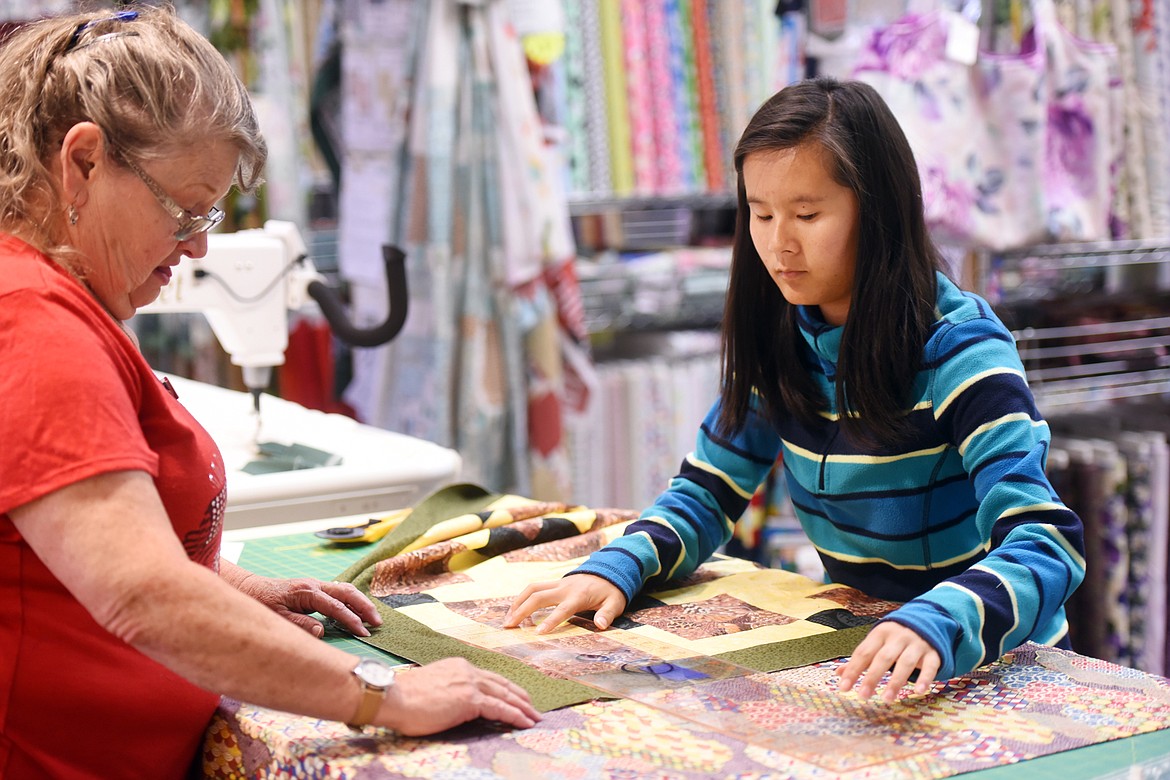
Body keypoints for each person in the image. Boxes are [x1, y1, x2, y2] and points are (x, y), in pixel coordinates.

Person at [0, 7, 537, 778]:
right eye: (186, 210)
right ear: (83, 163)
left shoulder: (57, 298)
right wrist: (386, 693)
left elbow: (76, 551)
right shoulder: (32, 322)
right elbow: (141, 594)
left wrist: (240, 588)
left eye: (211, 214)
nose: (199, 245)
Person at [505, 76, 1086, 704]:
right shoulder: (779, 335)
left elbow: (1046, 541)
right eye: (760, 214)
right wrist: (621, 566)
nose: (779, 243)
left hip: (998, 661)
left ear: (879, 210)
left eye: (807, 215)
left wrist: (937, 620)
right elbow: (708, 490)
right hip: (873, 652)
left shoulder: (960, 350)